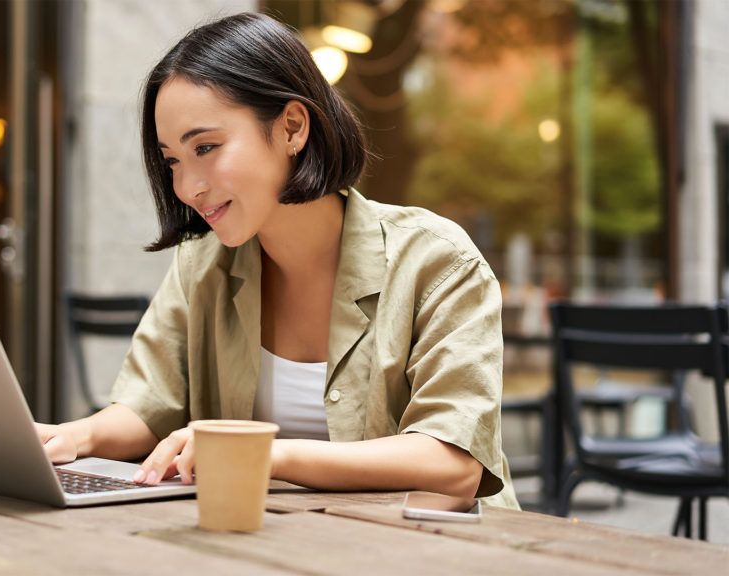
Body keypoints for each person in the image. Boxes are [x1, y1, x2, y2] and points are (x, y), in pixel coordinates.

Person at [37, 12, 519, 509]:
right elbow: (146, 406)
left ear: (291, 127)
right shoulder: (203, 265)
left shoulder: (437, 261)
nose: (188, 186)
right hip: (278, 542)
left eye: (206, 146)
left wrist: (265, 454)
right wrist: (72, 438)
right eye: (174, 160)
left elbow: (453, 464)